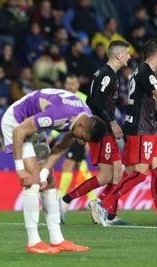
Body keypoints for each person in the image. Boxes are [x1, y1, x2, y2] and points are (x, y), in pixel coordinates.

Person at [92, 39, 157, 227]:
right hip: (140, 130)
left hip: (148, 128)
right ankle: (103, 206)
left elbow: (147, 106)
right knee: (139, 175)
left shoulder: (142, 73)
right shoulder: (146, 72)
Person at [1, 88, 107, 253]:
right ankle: (33, 241)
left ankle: (57, 240)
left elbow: (61, 146)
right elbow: (19, 131)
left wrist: (45, 173)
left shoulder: (85, 117)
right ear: (81, 125)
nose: (80, 139)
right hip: (17, 121)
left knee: (49, 181)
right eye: (82, 137)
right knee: (33, 180)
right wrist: (20, 169)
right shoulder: (60, 114)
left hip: (36, 127)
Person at [59, 40, 131, 226]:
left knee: (118, 173)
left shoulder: (103, 73)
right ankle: (65, 200)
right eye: (127, 53)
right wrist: (111, 124)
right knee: (106, 176)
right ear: (118, 55)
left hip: (100, 129)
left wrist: (87, 131)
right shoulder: (107, 75)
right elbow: (97, 102)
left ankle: (110, 215)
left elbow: (91, 101)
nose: (129, 57)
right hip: (103, 130)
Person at [55, 74, 95, 211]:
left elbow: (88, 122)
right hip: (70, 136)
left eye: (73, 83)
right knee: (82, 167)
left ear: (78, 85)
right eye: (68, 83)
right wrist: (54, 134)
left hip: (78, 137)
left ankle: (60, 198)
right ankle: (93, 200)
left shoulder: (83, 99)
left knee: (68, 165)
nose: (70, 86)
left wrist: (88, 141)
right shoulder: (63, 98)